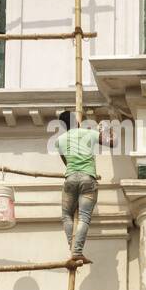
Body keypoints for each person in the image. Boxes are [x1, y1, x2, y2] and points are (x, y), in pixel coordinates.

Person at [55, 111, 113, 263]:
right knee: (84, 217)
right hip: (88, 179)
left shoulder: (59, 140)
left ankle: (72, 246)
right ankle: (77, 251)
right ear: (76, 121)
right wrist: (106, 129)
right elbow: (112, 142)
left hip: (70, 179)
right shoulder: (89, 133)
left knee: (66, 215)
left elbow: (66, 161)